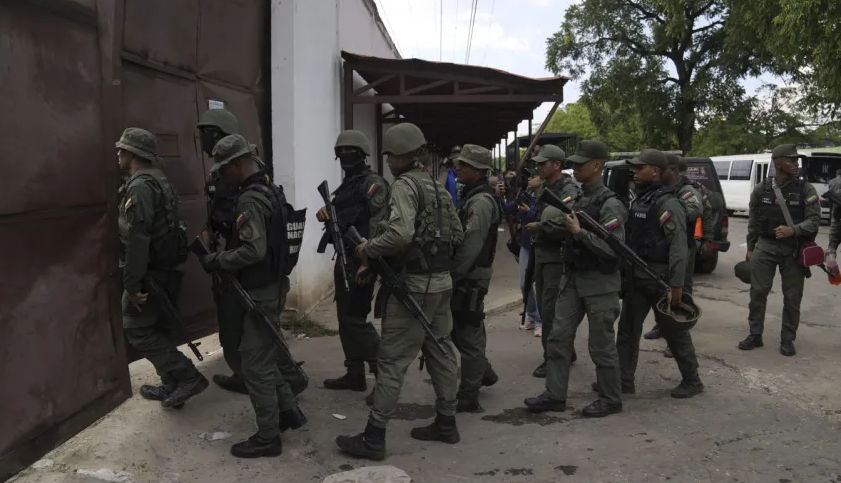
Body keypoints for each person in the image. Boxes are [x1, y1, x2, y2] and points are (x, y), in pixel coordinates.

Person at [336, 123, 464, 461]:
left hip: (415, 287)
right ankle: (446, 423)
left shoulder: (405, 186)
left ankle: (374, 437)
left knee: (391, 362)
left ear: (401, 155)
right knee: (441, 351)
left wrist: (368, 249)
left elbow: (399, 235)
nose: (388, 161)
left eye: (391, 155)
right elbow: (458, 235)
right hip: (441, 283)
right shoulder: (439, 189)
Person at [196, 134, 305, 458]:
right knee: (264, 355)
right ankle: (289, 412)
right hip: (272, 286)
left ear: (237, 164)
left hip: (258, 291)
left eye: (223, 169)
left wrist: (216, 261)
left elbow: (252, 250)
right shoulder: (271, 190)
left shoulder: (249, 200)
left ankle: (268, 437)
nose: (220, 176)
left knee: (254, 364)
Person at [524, 140, 625, 417]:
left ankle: (610, 398)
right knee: (557, 337)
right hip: (573, 278)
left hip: (599, 284)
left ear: (597, 166)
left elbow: (613, 250)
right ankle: (555, 394)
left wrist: (580, 233)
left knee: (601, 345)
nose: (576, 168)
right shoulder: (578, 198)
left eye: (581, 164)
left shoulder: (611, 204)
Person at [116, 127, 208, 408]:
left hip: (150, 272)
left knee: (138, 330)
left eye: (121, 149)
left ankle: (188, 377)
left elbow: (138, 238)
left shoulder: (141, 186)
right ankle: (172, 385)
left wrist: (132, 285)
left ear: (133, 153)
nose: (117, 154)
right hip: (164, 268)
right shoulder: (158, 180)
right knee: (157, 328)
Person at [616, 148, 704, 398]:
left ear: (655, 171)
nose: (634, 171)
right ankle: (623, 380)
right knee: (627, 330)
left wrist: (676, 286)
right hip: (637, 276)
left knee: (675, 332)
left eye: (639, 167)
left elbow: (678, 246)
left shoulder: (669, 202)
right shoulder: (641, 199)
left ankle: (692, 380)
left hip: (660, 280)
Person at [317, 130, 388, 392]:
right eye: (342, 153)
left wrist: (367, 264)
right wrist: (326, 213)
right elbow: (343, 216)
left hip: (361, 262)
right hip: (345, 258)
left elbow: (378, 228)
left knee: (354, 319)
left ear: (362, 155)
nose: (346, 157)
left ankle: (384, 370)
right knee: (345, 318)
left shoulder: (373, 184)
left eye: (351, 153)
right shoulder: (348, 185)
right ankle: (355, 373)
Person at [738, 144, 820, 356]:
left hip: (793, 249)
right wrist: (750, 247)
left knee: (792, 297)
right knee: (757, 292)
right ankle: (755, 335)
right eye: (791, 160)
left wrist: (793, 230)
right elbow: (753, 221)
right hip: (765, 246)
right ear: (778, 163)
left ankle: (787, 339)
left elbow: (814, 221)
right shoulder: (761, 189)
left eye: (797, 161)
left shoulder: (806, 190)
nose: (796, 164)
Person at [196, 108, 249, 394]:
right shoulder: (225, 174)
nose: (202, 140)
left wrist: (222, 257)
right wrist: (208, 227)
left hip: (234, 261)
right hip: (226, 256)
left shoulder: (235, 177)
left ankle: (247, 377)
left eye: (206, 133)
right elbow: (217, 212)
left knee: (234, 325)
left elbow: (238, 222)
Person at [449, 144, 501, 413]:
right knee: (459, 328)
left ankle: (469, 395)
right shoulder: (472, 195)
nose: (458, 168)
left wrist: (453, 276)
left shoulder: (480, 201)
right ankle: (483, 372)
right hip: (468, 274)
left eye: (464, 165)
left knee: (468, 331)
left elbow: (471, 245)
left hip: (470, 276)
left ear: (478, 171)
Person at [524, 144, 581, 378]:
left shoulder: (568, 189)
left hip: (557, 256)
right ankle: (564, 351)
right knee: (544, 304)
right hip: (542, 253)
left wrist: (540, 226)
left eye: (543, 163)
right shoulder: (545, 188)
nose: (538, 167)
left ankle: (553, 358)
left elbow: (566, 221)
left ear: (557, 165)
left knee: (550, 310)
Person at [644, 154, 705, 343]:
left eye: (665, 169)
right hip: (663, 247)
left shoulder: (686, 189)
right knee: (662, 290)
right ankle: (661, 325)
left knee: (681, 290)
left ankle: (678, 334)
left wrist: (670, 211)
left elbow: (695, 209)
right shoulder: (660, 189)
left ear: (674, 170)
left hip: (682, 246)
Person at [501, 169, 542, 331]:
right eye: (529, 176)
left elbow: (545, 219)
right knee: (524, 284)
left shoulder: (546, 196)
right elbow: (507, 209)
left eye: (534, 175)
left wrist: (529, 212)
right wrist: (499, 196)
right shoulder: (524, 195)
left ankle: (541, 321)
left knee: (537, 285)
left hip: (540, 244)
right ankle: (531, 315)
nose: (531, 179)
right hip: (526, 244)